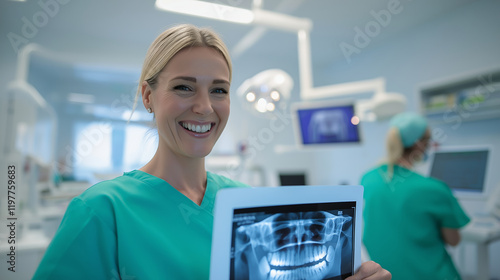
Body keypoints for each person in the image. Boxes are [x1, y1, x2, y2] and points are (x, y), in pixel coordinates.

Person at [33, 24, 391, 280]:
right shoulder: (102, 211)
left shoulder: (249, 203)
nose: (205, 107)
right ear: (148, 97)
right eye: (184, 87)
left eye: (219, 90)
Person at [361, 112, 470, 280]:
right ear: (419, 144)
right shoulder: (434, 188)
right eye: (428, 141)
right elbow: (453, 240)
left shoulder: (368, 178)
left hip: (381, 274)